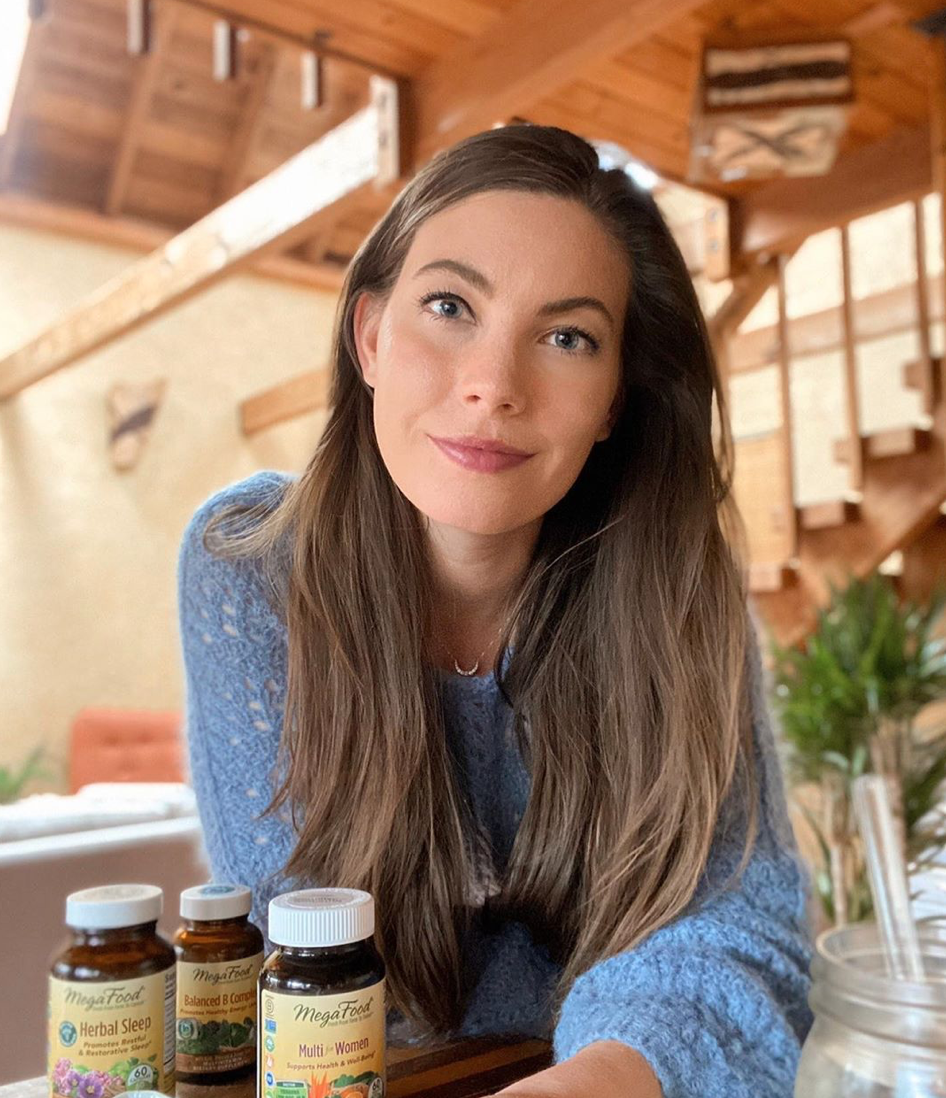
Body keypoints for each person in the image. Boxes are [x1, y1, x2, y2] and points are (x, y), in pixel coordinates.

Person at [177, 123, 814, 1098]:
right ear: (370, 338)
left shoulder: (677, 589)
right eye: (448, 305)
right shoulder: (249, 563)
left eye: (566, 336)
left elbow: (732, 919)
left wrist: (594, 1074)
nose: (492, 386)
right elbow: (305, 929)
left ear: (611, 400)